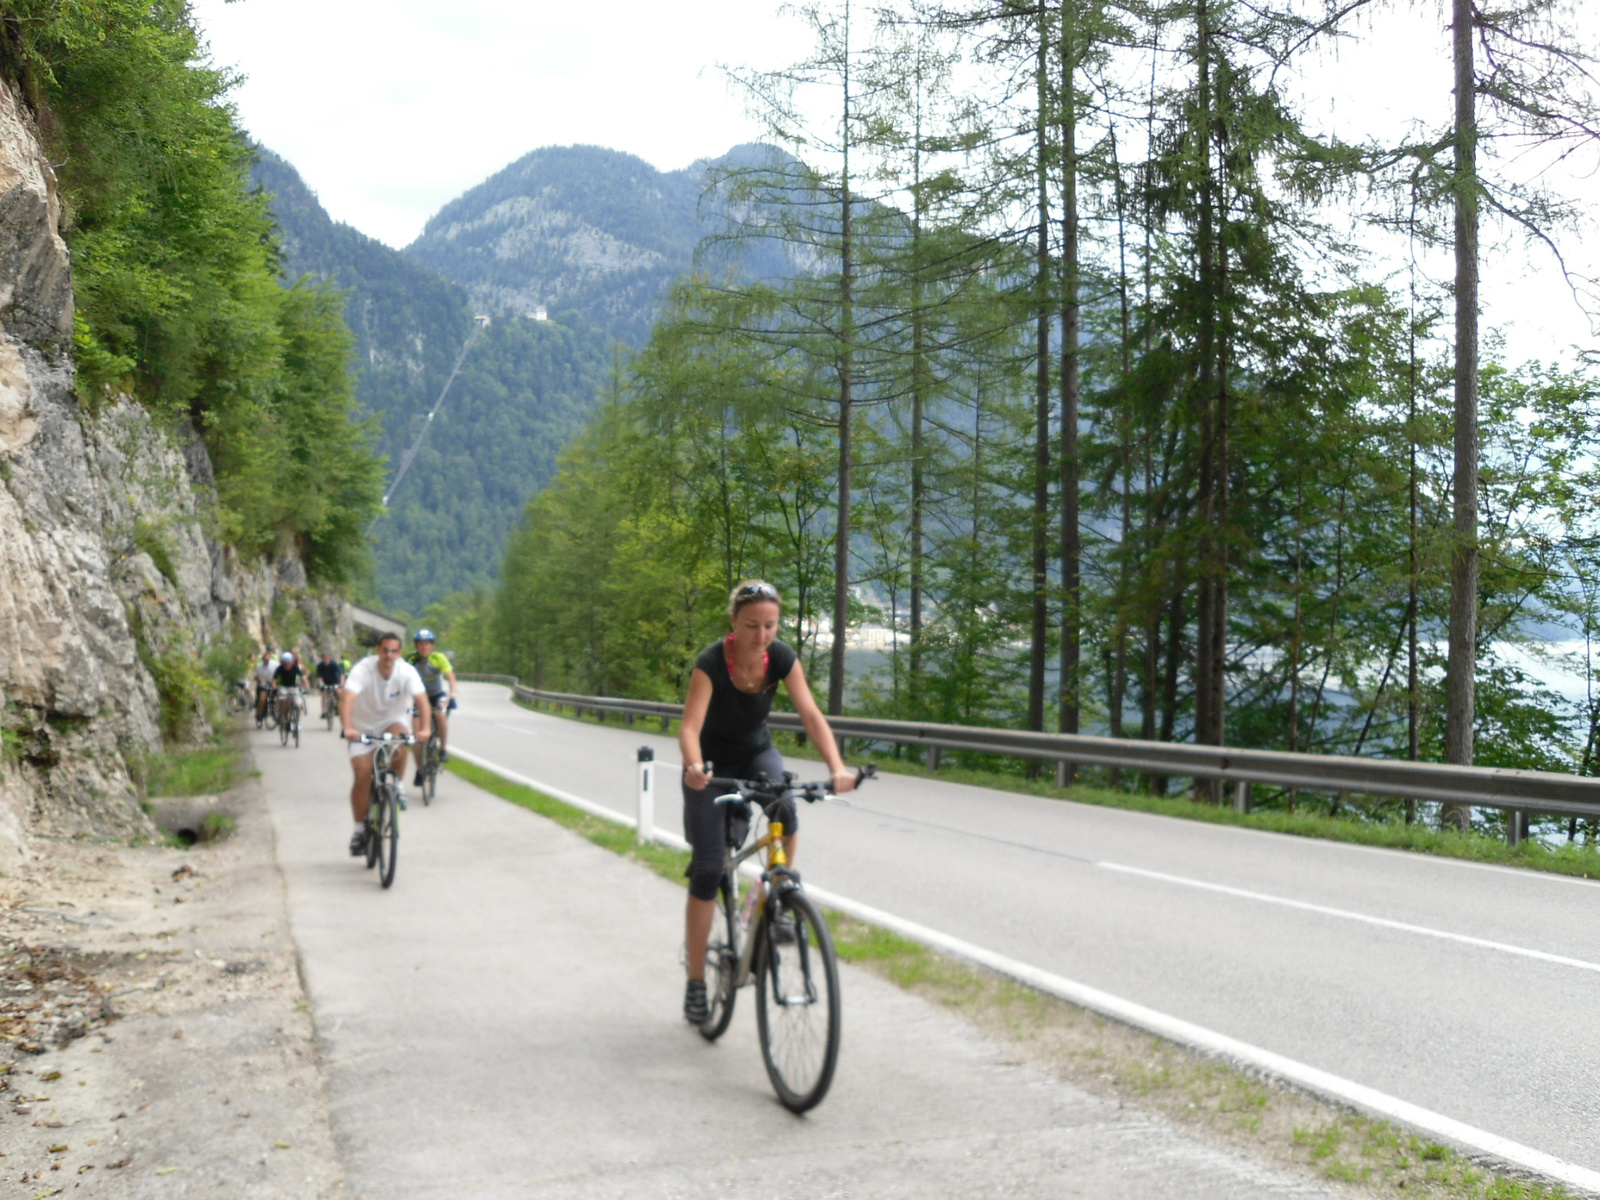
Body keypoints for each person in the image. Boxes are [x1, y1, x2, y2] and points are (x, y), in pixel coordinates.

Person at [677, 580, 855, 1026]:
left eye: (770, 625)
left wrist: (837, 767)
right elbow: (689, 727)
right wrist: (695, 766)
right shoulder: (712, 663)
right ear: (734, 623)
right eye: (752, 625)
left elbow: (811, 715)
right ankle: (696, 982)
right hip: (711, 767)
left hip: (756, 753)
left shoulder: (781, 658)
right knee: (707, 868)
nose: (761, 635)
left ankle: (780, 887)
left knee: (786, 804)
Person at [340, 633, 430, 856]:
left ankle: (397, 784)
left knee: (401, 738)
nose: (389, 655)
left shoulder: (406, 672)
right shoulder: (363, 669)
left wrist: (426, 729)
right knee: (362, 776)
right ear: (378, 650)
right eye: (385, 650)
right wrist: (348, 727)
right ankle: (359, 830)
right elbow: (347, 699)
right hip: (362, 727)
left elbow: (422, 701)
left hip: (392, 722)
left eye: (394, 651)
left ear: (399, 653)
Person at [406, 630, 457, 778]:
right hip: (419, 698)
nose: (424, 647)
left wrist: (451, 695)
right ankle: (420, 771)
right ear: (416, 646)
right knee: (417, 738)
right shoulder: (411, 659)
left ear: (432, 646)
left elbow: (451, 678)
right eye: (420, 644)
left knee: (440, 715)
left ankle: (443, 749)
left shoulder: (438, 658)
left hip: (436, 695)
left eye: (427, 644)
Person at [272, 650, 308, 726]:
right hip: (283, 687)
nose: (286, 665)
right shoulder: (280, 668)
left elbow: (303, 677)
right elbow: (274, 680)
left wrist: (306, 686)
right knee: (283, 699)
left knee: (298, 704)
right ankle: (282, 716)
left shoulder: (295, 667)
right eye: (285, 663)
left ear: (291, 662)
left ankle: (297, 720)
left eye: (288, 663)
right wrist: (274, 687)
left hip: (293, 687)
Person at [315, 652, 344, 721]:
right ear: (322, 659)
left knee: (339, 694)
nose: (326, 659)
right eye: (324, 658)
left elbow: (341, 675)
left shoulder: (334, 664)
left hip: (334, 681)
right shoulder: (320, 666)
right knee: (324, 695)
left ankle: (338, 708)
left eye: (327, 658)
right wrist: (321, 683)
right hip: (325, 682)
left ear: (330, 658)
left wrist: (342, 683)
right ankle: (324, 712)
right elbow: (319, 677)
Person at [252, 650, 278, 722]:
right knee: (262, 699)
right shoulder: (259, 666)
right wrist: (259, 678)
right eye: (265, 660)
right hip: (263, 685)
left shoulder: (275, 664)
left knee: (278, 696)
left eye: (267, 660)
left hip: (273, 682)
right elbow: (255, 676)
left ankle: (276, 711)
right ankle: (259, 713)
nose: (266, 661)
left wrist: (275, 681)